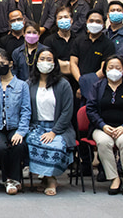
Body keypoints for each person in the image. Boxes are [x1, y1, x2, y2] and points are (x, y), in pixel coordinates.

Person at [85, 55, 123, 196]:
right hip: (101, 128)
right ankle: (114, 178)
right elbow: (90, 109)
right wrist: (103, 125)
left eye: (118, 67)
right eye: (110, 67)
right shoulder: (97, 87)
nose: (114, 70)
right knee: (104, 142)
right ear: (105, 70)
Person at [27, 49, 76, 196]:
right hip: (36, 126)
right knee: (30, 142)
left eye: (49, 59)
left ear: (54, 63)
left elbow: (67, 111)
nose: (45, 62)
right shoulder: (29, 83)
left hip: (59, 128)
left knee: (55, 145)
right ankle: (46, 178)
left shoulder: (63, 84)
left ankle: (51, 179)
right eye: (42, 59)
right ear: (36, 62)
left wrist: (54, 131)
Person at [0, 52, 31, 195]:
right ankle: (10, 180)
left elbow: (26, 110)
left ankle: (12, 179)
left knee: (19, 145)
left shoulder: (22, 85)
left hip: (15, 126)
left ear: (10, 64)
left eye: (2, 63)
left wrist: (21, 132)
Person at [71, 9, 115, 100]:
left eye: (98, 21)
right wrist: (82, 82)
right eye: (91, 21)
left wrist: (88, 83)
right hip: (77, 85)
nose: (94, 23)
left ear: (103, 25)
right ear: (86, 22)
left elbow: (104, 69)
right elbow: (73, 63)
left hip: (98, 86)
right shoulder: (78, 40)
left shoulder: (108, 44)